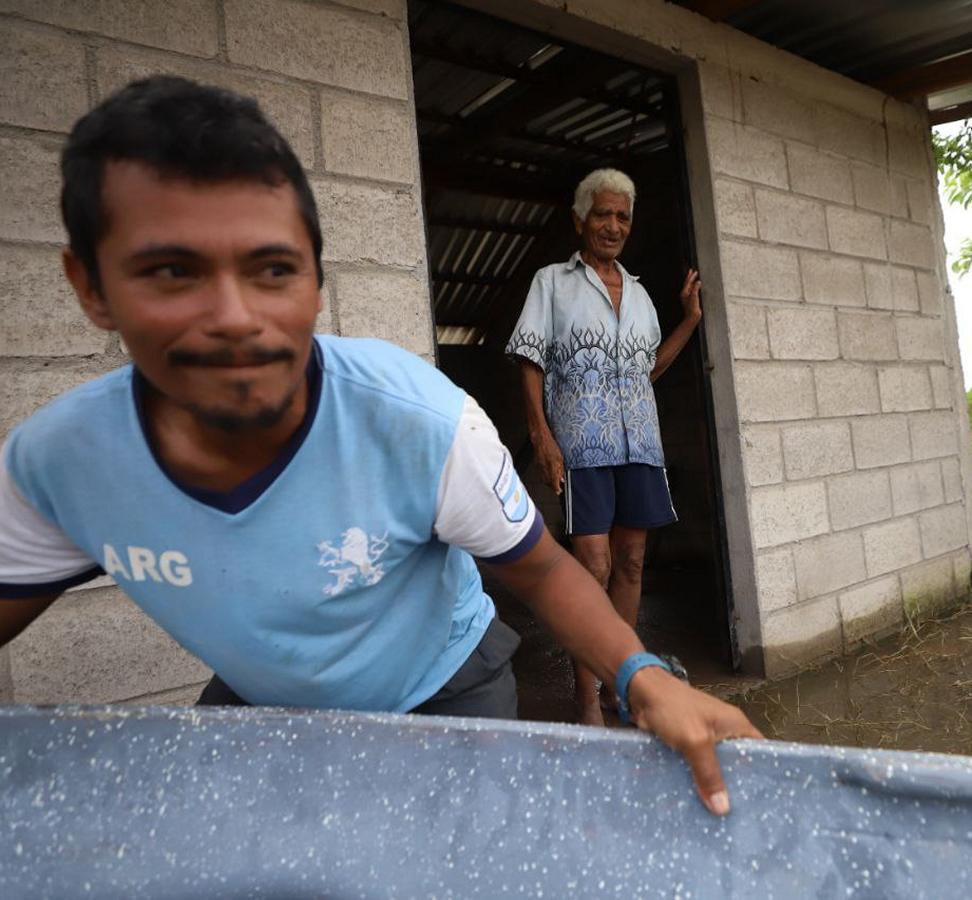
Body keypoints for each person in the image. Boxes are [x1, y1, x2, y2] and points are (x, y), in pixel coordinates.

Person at [0, 77, 759, 817]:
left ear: (316, 283)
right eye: (171, 271)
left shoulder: (422, 423)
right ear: (91, 286)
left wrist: (644, 678)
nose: (233, 317)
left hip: (443, 677)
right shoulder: (63, 463)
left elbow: (538, 569)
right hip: (270, 691)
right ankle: (590, 707)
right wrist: (544, 435)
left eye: (272, 269)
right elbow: (531, 365)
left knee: (623, 571)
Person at [506, 169, 703, 725]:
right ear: (580, 220)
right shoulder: (552, 282)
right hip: (584, 446)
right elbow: (529, 358)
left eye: (622, 217)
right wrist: (542, 435)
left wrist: (690, 321)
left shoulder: (639, 295)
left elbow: (649, 369)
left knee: (632, 563)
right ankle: (587, 696)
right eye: (602, 214)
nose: (613, 225)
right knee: (593, 565)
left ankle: (621, 684)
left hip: (640, 445)